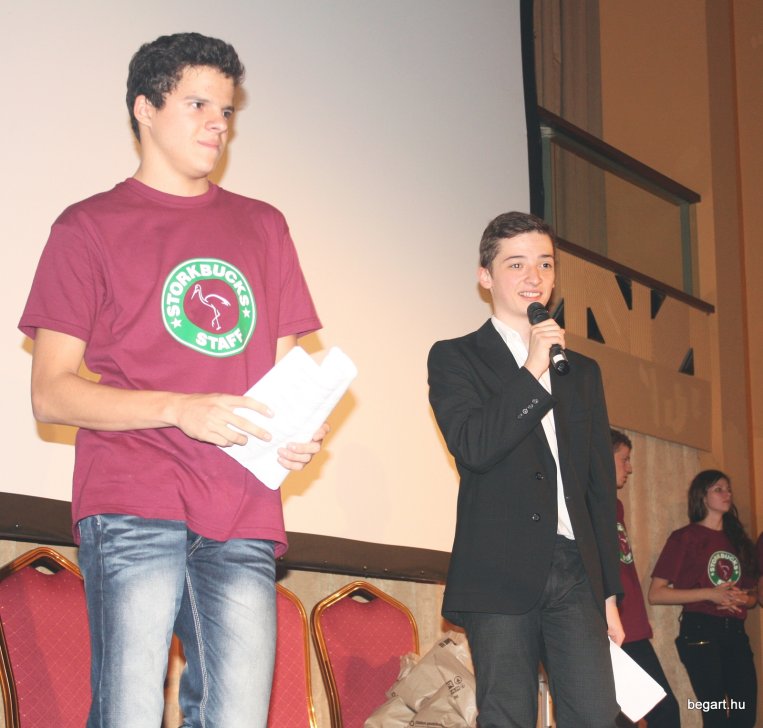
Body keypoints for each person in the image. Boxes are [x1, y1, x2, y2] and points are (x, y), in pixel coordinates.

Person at [18, 33, 327, 728]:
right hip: (133, 497)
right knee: (129, 712)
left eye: (226, 109)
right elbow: (50, 391)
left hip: (242, 506)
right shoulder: (87, 227)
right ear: (145, 109)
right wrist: (178, 408)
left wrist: (296, 428)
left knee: (236, 717)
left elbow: (284, 375)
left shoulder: (263, 226)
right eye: (197, 105)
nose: (218, 124)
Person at [427, 211, 623, 728]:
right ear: (485, 276)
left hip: (576, 569)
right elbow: (474, 446)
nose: (534, 276)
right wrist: (533, 367)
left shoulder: (582, 372)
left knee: (597, 715)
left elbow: (598, 489)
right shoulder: (455, 358)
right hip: (500, 564)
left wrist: (608, 593)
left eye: (545, 264)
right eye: (516, 264)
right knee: (509, 715)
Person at [649, 470, 757, 727]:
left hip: (735, 631)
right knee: (714, 713)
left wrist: (743, 599)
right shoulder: (685, 537)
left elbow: (753, 597)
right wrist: (711, 594)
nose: (727, 494)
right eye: (718, 489)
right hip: (701, 630)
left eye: (728, 489)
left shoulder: (737, 541)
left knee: (745, 712)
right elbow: (656, 593)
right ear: (702, 496)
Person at [610, 429, 680, 727]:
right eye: (624, 459)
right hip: (612, 626)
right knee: (660, 712)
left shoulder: (615, 505)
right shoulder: (586, 503)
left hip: (631, 624)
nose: (630, 468)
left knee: (646, 713)